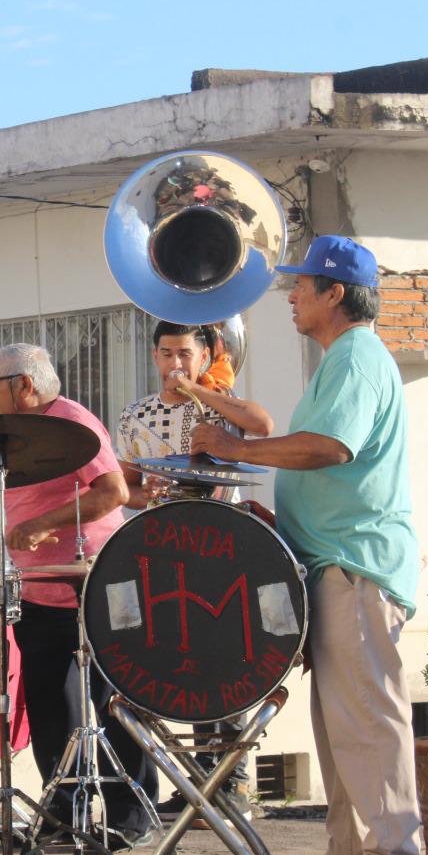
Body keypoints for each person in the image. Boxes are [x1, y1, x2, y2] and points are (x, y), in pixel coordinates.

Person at [190, 235, 426, 855]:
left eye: (302, 285)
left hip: (355, 565)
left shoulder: (356, 357)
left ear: (335, 294)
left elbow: (328, 447)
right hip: (333, 566)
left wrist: (239, 446)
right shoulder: (342, 359)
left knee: (368, 720)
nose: (291, 296)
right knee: (340, 724)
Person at [0, 343, 155, 849]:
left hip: (93, 580)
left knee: (108, 702)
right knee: (44, 704)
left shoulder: (73, 421)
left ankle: (132, 813)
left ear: (25, 385)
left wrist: (44, 523)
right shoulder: (9, 439)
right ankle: (65, 811)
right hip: (37, 589)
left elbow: (113, 493)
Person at [116, 320, 274, 822]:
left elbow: (263, 424)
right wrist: (149, 496)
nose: (174, 365)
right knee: (182, 658)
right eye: (165, 354)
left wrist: (203, 392)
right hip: (162, 548)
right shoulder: (137, 415)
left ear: (205, 356)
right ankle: (193, 782)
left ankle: (233, 782)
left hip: (221, 549)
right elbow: (127, 488)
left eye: (184, 354)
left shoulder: (222, 406)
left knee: (226, 656)